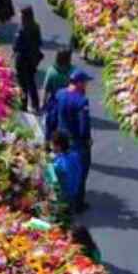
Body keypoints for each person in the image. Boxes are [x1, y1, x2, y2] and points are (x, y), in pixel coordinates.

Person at [55, 69, 93, 211]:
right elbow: (84, 124)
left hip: (61, 138)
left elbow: (53, 114)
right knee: (81, 171)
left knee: (62, 170)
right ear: (79, 83)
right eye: (85, 83)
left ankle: (62, 200)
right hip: (76, 141)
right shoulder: (82, 101)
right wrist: (86, 139)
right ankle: (78, 203)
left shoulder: (60, 94)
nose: (86, 86)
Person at [12, 6, 43, 113]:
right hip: (32, 58)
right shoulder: (36, 27)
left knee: (22, 84)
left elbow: (16, 45)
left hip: (21, 59)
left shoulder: (21, 29)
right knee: (31, 82)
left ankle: (23, 104)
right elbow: (39, 42)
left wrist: (14, 50)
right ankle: (36, 105)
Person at [50, 131, 81, 212]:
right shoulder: (74, 155)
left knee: (65, 213)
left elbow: (54, 178)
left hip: (64, 195)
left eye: (53, 145)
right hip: (73, 191)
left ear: (59, 147)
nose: (51, 147)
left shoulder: (60, 164)